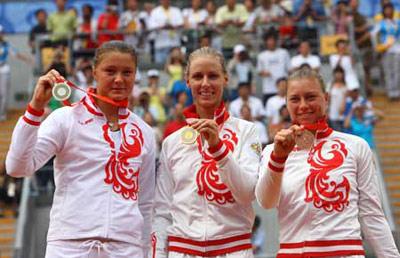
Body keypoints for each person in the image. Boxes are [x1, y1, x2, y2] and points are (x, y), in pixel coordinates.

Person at [5, 41, 156, 258]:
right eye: (110, 71)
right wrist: (34, 109)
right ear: (94, 72)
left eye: (127, 72)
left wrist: (144, 251)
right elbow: (17, 167)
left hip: (125, 249)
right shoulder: (65, 119)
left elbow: (145, 201)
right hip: (69, 247)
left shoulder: (144, 132)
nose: (119, 79)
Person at [255, 67, 400, 257]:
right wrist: (278, 158)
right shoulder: (271, 151)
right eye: (295, 99)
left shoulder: (355, 146)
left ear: (326, 98)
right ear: (286, 103)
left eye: (311, 97)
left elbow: (372, 215)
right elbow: (266, 202)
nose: (303, 105)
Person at [152, 47, 261, 257]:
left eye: (212, 76)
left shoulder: (247, 131)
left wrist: (219, 149)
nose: (205, 83)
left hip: (232, 250)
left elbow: (247, 193)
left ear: (226, 79)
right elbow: (162, 211)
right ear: (187, 81)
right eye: (197, 76)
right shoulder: (172, 141)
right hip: (182, 251)